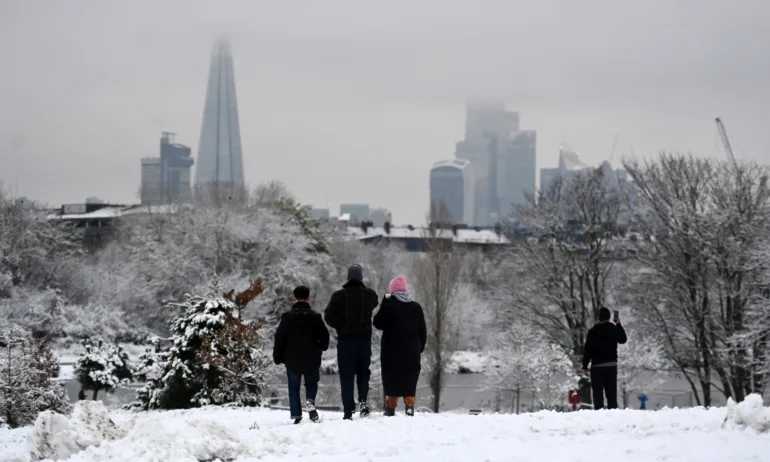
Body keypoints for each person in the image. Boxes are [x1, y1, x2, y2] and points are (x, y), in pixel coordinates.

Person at [324, 264, 379, 420]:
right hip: (364, 342)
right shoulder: (370, 295)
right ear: (361, 278)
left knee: (346, 376)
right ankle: (363, 403)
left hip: (345, 342)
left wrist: (339, 326)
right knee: (363, 373)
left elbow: (328, 316)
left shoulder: (338, 296)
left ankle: (348, 410)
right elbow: (375, 302)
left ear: (347, 278)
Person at [273, 286, 330, 424]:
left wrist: (278, 356)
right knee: (311, 383)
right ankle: (310, 401)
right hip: (312, 357)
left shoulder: (287, 317)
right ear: (308, 297)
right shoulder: (315, 317)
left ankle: (296, 415)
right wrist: (323, 346)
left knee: (293, 388)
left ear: (294, 297)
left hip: (292, 358)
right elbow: (325, 336)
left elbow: (279, 338)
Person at [373, 275, 427, 417]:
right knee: (409, 377)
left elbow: (377, 323)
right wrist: (420, 348)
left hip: (392, 350)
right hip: (412, 351)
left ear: (393, 291)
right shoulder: (416, 307)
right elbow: (422, 330)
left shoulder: (389, 306)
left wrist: (384, 303)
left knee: (391, 377)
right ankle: (409, 406)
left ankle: (391, 408)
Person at [581, 307, 627, 409]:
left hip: (597, 367)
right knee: (611, 395)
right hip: (611, 366)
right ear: (609, 317)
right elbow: (623, 339)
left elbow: (588, 349)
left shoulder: (593, 331)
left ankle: (599, 415)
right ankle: (613, 415)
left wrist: (585, 366)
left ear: (599, 318)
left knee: (598, 395)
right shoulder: (614, 329)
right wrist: (618, 324)